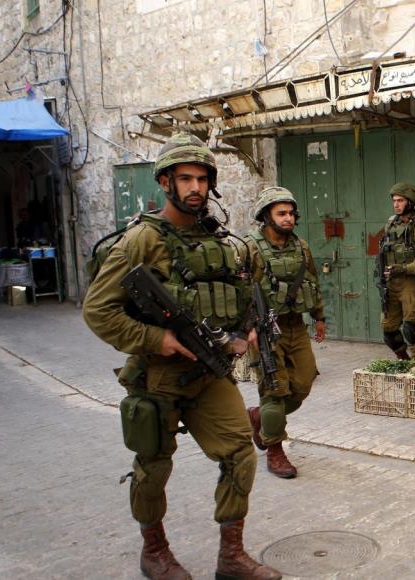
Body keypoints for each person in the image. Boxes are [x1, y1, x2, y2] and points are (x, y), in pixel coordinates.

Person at [83, 133, 281, 580]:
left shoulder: (221, 240)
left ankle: (231, 556)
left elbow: (240, 293)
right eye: (186, 178)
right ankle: (154, 550)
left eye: (202, 179)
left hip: (209, 373)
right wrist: (157, 339)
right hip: (158, 377)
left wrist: (246, 328)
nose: (195, 187)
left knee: (240, 453)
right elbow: (98, 311)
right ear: (165, 182)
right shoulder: (141, 240)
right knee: (153, 468)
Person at [245, 186, 326, 479]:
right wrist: (247, 329)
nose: (288, 218)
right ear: (267, 216)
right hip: (264, 330)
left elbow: (312, 280)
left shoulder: (301, 246)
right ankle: (274, 450)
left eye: (291, 213)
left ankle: (259, 416)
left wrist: (318, 316)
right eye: (281, 213)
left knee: (302, 385)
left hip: (295, 325)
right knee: (274, 390)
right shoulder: (250, 248)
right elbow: (238, 291)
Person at [376, 182, 415, 363]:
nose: (396, 205)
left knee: (412, 329)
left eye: (400, 201)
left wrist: (404, 268)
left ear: (410, 202)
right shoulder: (391, 223)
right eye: (394, 201)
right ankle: (404, 361)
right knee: (388, 331)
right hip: (391, 284)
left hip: (411, 284)